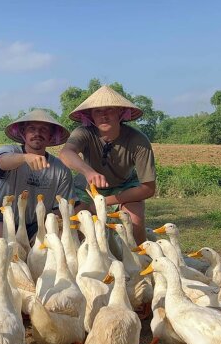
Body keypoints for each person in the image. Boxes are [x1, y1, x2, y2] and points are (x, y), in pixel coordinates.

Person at [58, 85, 156, 245]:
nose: (103, 116)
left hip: (125, 185)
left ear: (120, 112)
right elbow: (65, 153)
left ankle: (141, 260)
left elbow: (148, 188)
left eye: (109, 110)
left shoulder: (138, 141)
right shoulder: (84, 133)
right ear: (90, 116)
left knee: (135, 220)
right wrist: (88, 172)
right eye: (97, 111)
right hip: (88, 187)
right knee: (79, 220)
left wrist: (106, 201)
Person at [0, 109, 76, 244]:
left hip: (39, 225)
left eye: (43, 130)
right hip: (4, 221)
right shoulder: (9, 151)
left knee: (57, 237)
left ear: (51, 136)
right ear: (23, 133)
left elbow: (59, 210)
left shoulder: (61, 170)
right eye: (32, 129)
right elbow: (2, 162)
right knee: (4, 236)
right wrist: (25, 158)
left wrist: (44, 231)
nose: (37, 133)